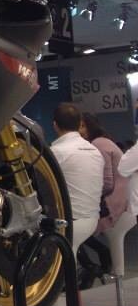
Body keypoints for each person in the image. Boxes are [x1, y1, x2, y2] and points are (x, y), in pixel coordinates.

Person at [50, 103, 104, 260]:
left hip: (68, 222)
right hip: (92, 219)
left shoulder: (57, 152)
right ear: (80, 124)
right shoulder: (95, 151)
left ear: (55, 125)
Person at [80, 112, 129, 232]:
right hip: (123, 198)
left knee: (79, 223)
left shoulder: (98, 143)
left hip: (115, 201)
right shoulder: (103, 141)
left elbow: (107, 184)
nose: (79, 131)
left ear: (91, 126)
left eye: (82, 126)